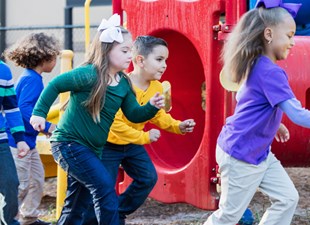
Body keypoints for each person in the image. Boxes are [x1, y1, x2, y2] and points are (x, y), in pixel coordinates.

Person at [203, 1, 310, 225]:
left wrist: (274, 123)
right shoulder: (270, 72)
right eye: (288, 35)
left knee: (287, 199)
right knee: (229, 215)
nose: (293, 42)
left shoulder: (256, 63)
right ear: (269, 34)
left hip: (258, 152)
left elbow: (245, 99)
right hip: (241, 155)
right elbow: (297, 114)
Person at [29, 14, 164, 225]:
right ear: (107, 50)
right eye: (125, 50)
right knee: (104, 189)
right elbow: (55, 84)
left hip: (92, 149)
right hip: (69, 144)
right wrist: (39, 113)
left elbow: (133, 114)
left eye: (131, 50)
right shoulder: (88, 74)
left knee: (76, 206)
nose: (130, 55)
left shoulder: (123, 83)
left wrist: (150, 107)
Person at [82, 35, 196, 225]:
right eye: (159, 59)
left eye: (166, 60)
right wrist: (143, 137)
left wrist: (178, 126)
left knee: (147, 178)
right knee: (103, 187)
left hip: (132, 144)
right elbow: (115, 123)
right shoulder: (120, 84)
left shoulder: (157, 86)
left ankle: (118, 212)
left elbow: (157, 115)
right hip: (108, 144)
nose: (165, 65)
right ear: (140, 60)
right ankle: (91, 221)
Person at [4, 32, 60, 225]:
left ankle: (29, 218)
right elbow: (25, 108)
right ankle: (8, 219)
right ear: (44, 57)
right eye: (55, 57)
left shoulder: (33, 78)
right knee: (22, 184)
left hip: (29, 141)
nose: (55, 61)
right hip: (17, 142)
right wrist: (47, 126)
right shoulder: (31, 79)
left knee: (37, 179)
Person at [0, 60, 30, 225]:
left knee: (11, 183)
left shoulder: (4, 71)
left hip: (1, 141)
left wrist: (20, 139)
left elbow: (11, 108)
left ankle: (8, 221)